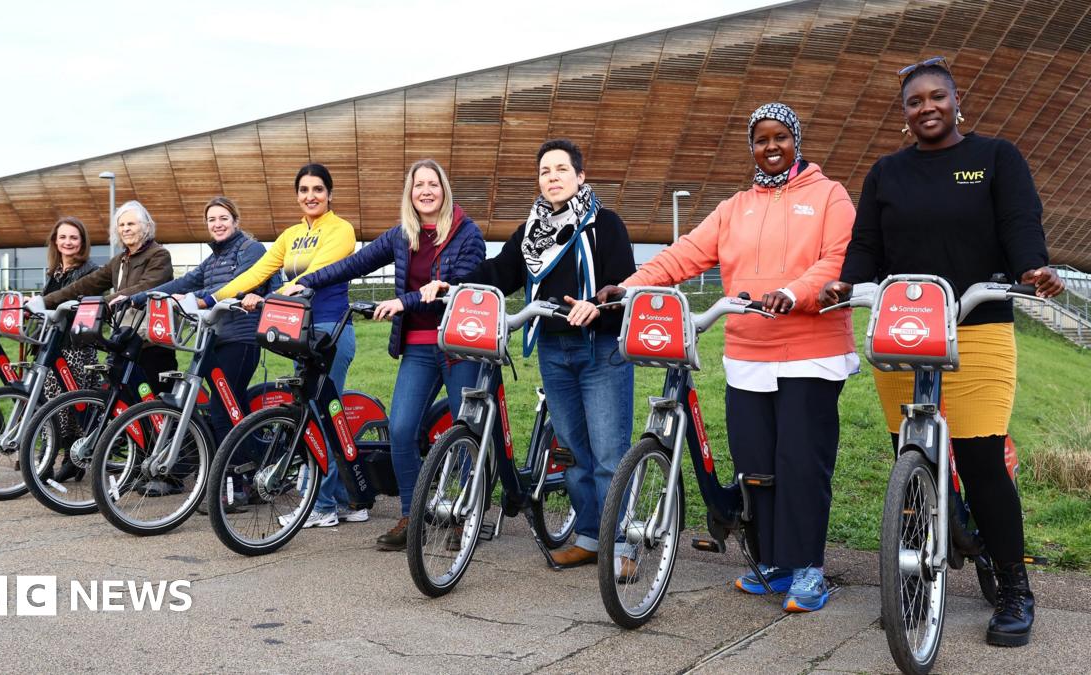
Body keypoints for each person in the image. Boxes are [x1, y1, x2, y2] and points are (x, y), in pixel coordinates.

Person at [819, 57, 1065, 645]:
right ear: (904, 114)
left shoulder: (995, 158)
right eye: (914, 101)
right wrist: (847, 284)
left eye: (937, 97)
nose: (927, 107)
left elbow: (1019, 221)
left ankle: (1012, 588)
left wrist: (1032, 264)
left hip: (977, 325)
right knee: (913, 456)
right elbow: (867, 244)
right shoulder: (886, 172)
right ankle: (918, 575)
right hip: (903, 329)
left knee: (980, 464)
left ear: (957, 101)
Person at [598, 105, 856, 611]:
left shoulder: (829, 195)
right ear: (752, 147)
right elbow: (685, 252)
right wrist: (627, 288)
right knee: (756, 465)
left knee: (802, 462)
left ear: (796, 141)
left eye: (780, 137)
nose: (771, 147)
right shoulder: (735, 206)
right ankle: (774, 562)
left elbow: (836, 259)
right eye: (761, 140)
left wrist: (794, 291)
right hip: (748, 352)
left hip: (811, 352)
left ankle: (808, 568)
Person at [420, 139, 635, 569]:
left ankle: (623, 545)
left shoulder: (605, 224)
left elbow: (624, 283)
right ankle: (591, 537)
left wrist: (597, 304)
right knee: (572, 450)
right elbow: (501, 271)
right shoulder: (533, 230)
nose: (552, 178)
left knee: (610, 453)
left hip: (600, 350)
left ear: (580, 176)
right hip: (553, 349)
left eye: (560, 169)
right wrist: (455, 285)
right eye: (544, 171)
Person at [287, 159, 485, 550]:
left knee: (467, 431)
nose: (425, 191)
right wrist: (304, 282)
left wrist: (403, 301)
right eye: (418, 186)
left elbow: (461, 284)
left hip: (460, 346)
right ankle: (413, 516)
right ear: (409, 194)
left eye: (432, 184)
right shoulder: (402, 235)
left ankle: (468, 515)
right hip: (418, 347)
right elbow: (352, 264)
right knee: (400, 429)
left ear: (444, 189)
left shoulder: (467, 233)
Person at [211, 164, 362, 526]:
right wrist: (214, 297)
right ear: (296, 194)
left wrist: (267, 298)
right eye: (304, 190)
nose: (311, 196)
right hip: (298, 330)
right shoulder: (291, 235)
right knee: (313, 412)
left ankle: (322, 506)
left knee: (320, 416)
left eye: (318, 189)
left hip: (330, 330)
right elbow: (257, 271)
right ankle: (348, 500)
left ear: (330, 194)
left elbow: (317, 273)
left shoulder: (341, 230)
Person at [121, 196, 275, 498]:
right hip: (214, 340)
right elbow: (184, 282)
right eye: (211, 220)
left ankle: (240, 481)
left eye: (222, 218)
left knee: (222, 409)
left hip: (241, 339)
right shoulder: (213, 258)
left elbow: (236, 283)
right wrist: (143, 297)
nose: (217, 224)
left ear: (235, 221)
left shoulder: (250, 249)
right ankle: (244, 469)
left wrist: (198, 298)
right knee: (229, 408)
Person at [43, 200, 177, 398]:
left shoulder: (159, 255)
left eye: (131, 224)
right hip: (125, 341)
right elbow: (86, 284)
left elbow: (146, 287)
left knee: (153, 405)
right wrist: (44, 302)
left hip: (151, 344)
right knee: (122, 404)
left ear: (146, 226)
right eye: (121, 225)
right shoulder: (120, 260)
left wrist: (102, 304)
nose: (125, 229)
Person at [39, 216, 101, 482]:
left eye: (74, 237)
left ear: (82, 242)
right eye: (63, 237)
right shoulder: (53, 272)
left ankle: (72, 458)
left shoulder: (90, 271)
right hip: (54, 345)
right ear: (55, 241)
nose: (68, 242)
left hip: (77, 346)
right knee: (51, 401)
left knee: (72, 403)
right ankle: (48, 455)